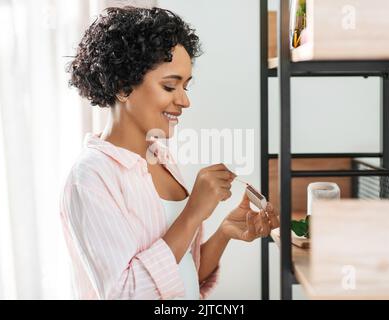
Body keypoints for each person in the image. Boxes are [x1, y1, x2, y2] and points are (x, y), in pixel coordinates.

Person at [60, 6, 278, 300]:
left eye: (186, 86)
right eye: (170, 85)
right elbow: (126, 294)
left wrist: (224, 232)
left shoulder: (162, 158)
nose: (185, 100)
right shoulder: (90, 178)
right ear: (124, 86)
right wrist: (192, 213)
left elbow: (179, 274)